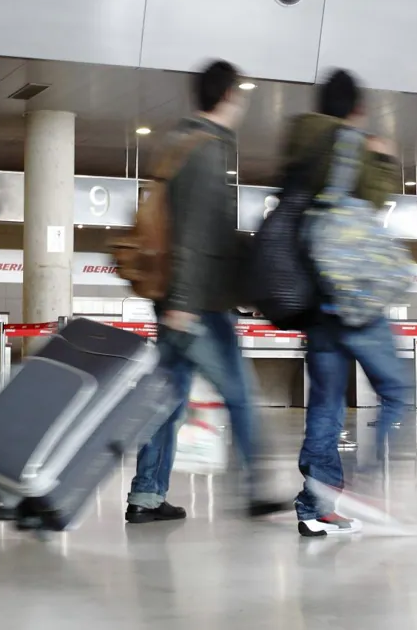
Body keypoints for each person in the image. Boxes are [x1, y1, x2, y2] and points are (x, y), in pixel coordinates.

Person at [126, 59, 284, 524]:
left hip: (179, 302)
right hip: (198, 307)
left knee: (167, 400)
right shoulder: (207, 151)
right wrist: (183, 303)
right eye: (240, 97)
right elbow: (195, 233)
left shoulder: (179, 143)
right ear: (230, 96)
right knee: (240, 394)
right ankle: (257, 488)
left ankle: (146, 496)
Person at [282, 68, 411, 537]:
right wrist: (381, 160)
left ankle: (316, 507)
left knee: (326, 406)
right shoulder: (349, 145)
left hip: (316, 300)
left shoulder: (298, 145)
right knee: (399, 392)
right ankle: (361, 480)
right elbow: (372, 203)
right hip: (353, 296)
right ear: (355, 108)